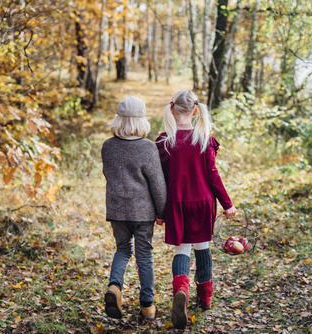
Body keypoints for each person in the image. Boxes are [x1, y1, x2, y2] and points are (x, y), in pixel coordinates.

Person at [156, 90, 236, 329]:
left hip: (177, 204)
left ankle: (181, 291)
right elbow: (213, 175)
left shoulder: (164, 140)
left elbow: (159, 180)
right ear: (194, 110)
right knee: (202, 248)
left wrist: (160, 212)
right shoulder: (204, 138)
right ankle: (205, 297)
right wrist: (227, 203)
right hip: (202, 203)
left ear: (172, 109)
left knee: (182, 249)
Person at [101, 96, 167, 321]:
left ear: (118, 119)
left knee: (122, 250)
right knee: (144, 256)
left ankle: (115, 287)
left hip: (117, 211)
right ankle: (147, 305)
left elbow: (108, 174)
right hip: (143, 213)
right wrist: (162, 212)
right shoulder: (148, 148)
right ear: (142, 120)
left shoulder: (108, 146)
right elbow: (157, 183)